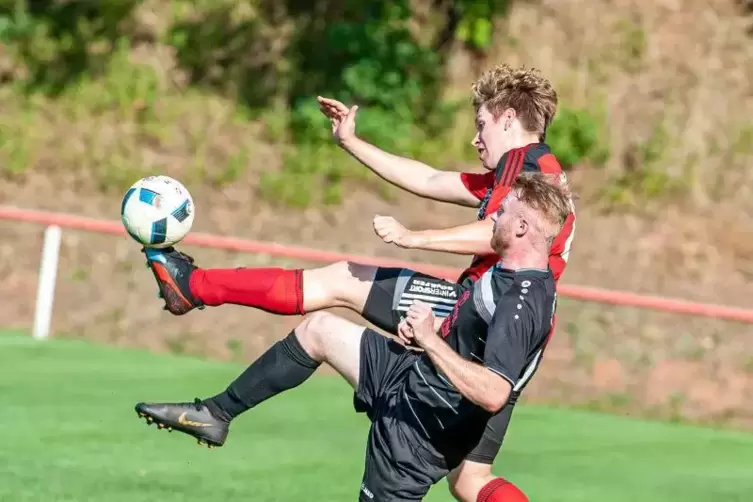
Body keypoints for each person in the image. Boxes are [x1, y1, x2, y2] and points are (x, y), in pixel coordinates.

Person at [141, 64, 576, 502]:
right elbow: (427, 178)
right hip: (510, 338)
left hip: (480, 315)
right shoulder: (531, 172)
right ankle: (210, 374)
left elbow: (496, 236)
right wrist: (351, 142)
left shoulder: (527, 168)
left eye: (481, 124)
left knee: (339, 282)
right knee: (470, 479)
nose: (474, 137)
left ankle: (193, 288)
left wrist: (414, 237)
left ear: (508, 120)